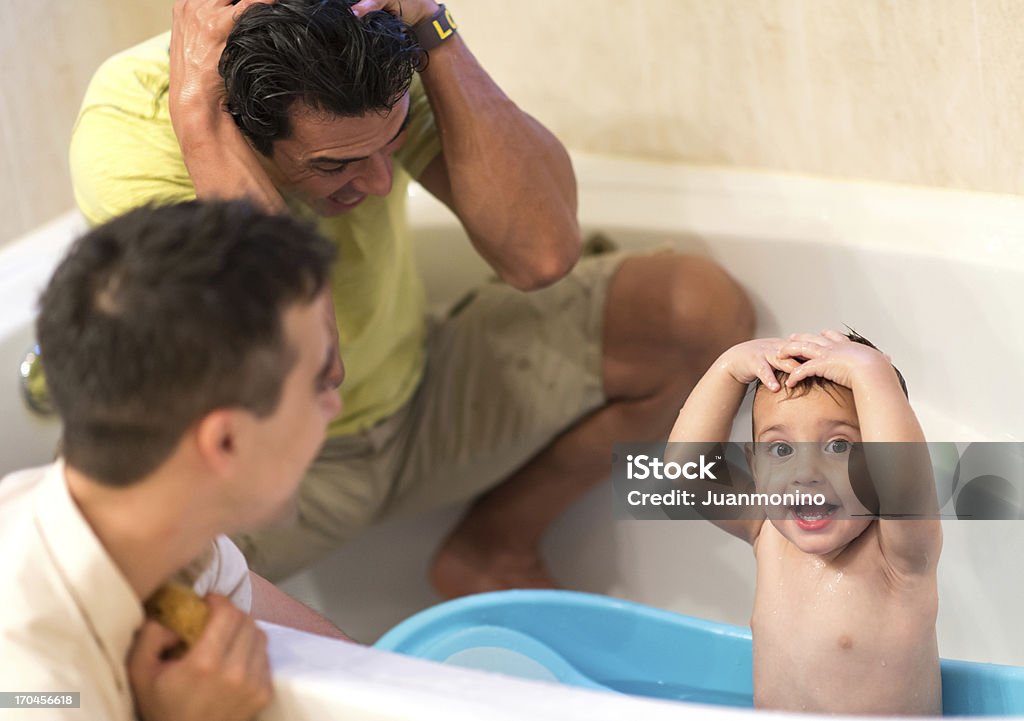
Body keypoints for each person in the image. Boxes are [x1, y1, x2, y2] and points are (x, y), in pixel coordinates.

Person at [70, 0, 754, 595]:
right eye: (333, 164)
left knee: (695, 313)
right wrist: (202, 123)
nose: (376, 181)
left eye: (390, 143)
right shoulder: (139, 129)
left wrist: (434, 25)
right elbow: (305, 374)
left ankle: (492, 545)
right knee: (138, 626)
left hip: (422, 400)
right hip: (273, 477)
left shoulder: (368, 53)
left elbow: (542, 254)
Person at [0, 201, 350, 721]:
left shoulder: (165, 533)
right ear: (224, 443)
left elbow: (348, 667)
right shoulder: (37, 688)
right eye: (319, 382)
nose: (334, 403)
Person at [667, 330, 942, 714]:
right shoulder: (766, 530)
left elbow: (904, 482)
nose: (806, 473)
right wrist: (728, 368)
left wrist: (871, 373)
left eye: (839, 446)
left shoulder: (898, 555)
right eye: (780, 450)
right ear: (753, 467)